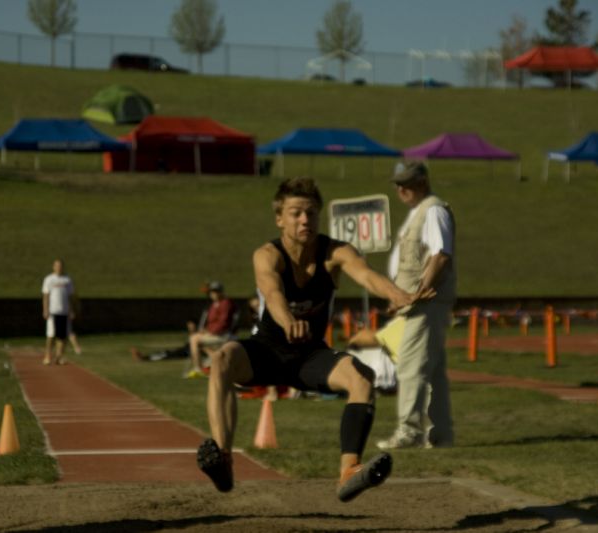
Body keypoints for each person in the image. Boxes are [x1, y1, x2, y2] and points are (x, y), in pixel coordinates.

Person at [196, 177, 426, 502]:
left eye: (312, 213)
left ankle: (349, 470)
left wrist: (397, 294)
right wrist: (289, 321)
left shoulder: (335, 252)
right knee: (221, 360)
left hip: (308, 357)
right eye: (296, 213)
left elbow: (366, 274)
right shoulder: (267, 255)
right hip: (266, 350)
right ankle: (222, 456)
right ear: (280, 219)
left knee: (362, 377)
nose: (305, 220)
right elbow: (272, 291)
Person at [375, 161, 456, 450]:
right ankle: (441, 433)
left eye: (406, 183)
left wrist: (420, 292)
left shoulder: (433, 210)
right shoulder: (420, 212)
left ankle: (409, 431)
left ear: (422, 182)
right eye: (398, 184)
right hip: (415, 303)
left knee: (410, 366)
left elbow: (441, 255)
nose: (400, 189)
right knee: (432, 372)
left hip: (425, 304)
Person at [184, 281, 236, 378]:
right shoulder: (214, 304)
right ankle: (205, 365)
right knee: (194, 339)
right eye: (211, 292)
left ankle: (198, 368)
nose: (213, 294)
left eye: (215, 292)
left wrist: (209, 331)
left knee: (194, 340)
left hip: (222, 334)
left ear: (220, 292)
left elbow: (223, 323)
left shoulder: (226, 303)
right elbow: (211, 322)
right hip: (214, 333)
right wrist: (205, 330)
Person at [42, 259, 77, 365]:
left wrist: (71, 310)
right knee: (51, 335)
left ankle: (59, 356)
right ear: (53, 267)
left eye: (60, 266)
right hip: (53, 311)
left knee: (62, 336)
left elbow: (71, 296)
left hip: (64, 312)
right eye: (56, 265)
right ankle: (48, 355)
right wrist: (45, 310)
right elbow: (46, 295)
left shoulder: (67, 280)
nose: (58, 267)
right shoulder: (49, 279)